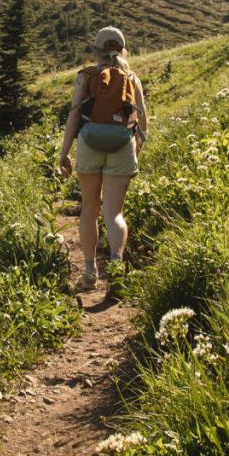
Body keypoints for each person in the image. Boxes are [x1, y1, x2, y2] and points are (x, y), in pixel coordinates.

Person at [57, 26, 149, 291]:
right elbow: (142, 121)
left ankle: (89, 271)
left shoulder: (86, 76)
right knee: (114, 213)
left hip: (89, 144)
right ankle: (117, 269)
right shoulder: (132, 77)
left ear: (96, 50)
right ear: (122, 49)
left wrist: (64, 154)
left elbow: (74, 116)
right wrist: (135, 150)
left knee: (89, 208)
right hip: (122, 145)